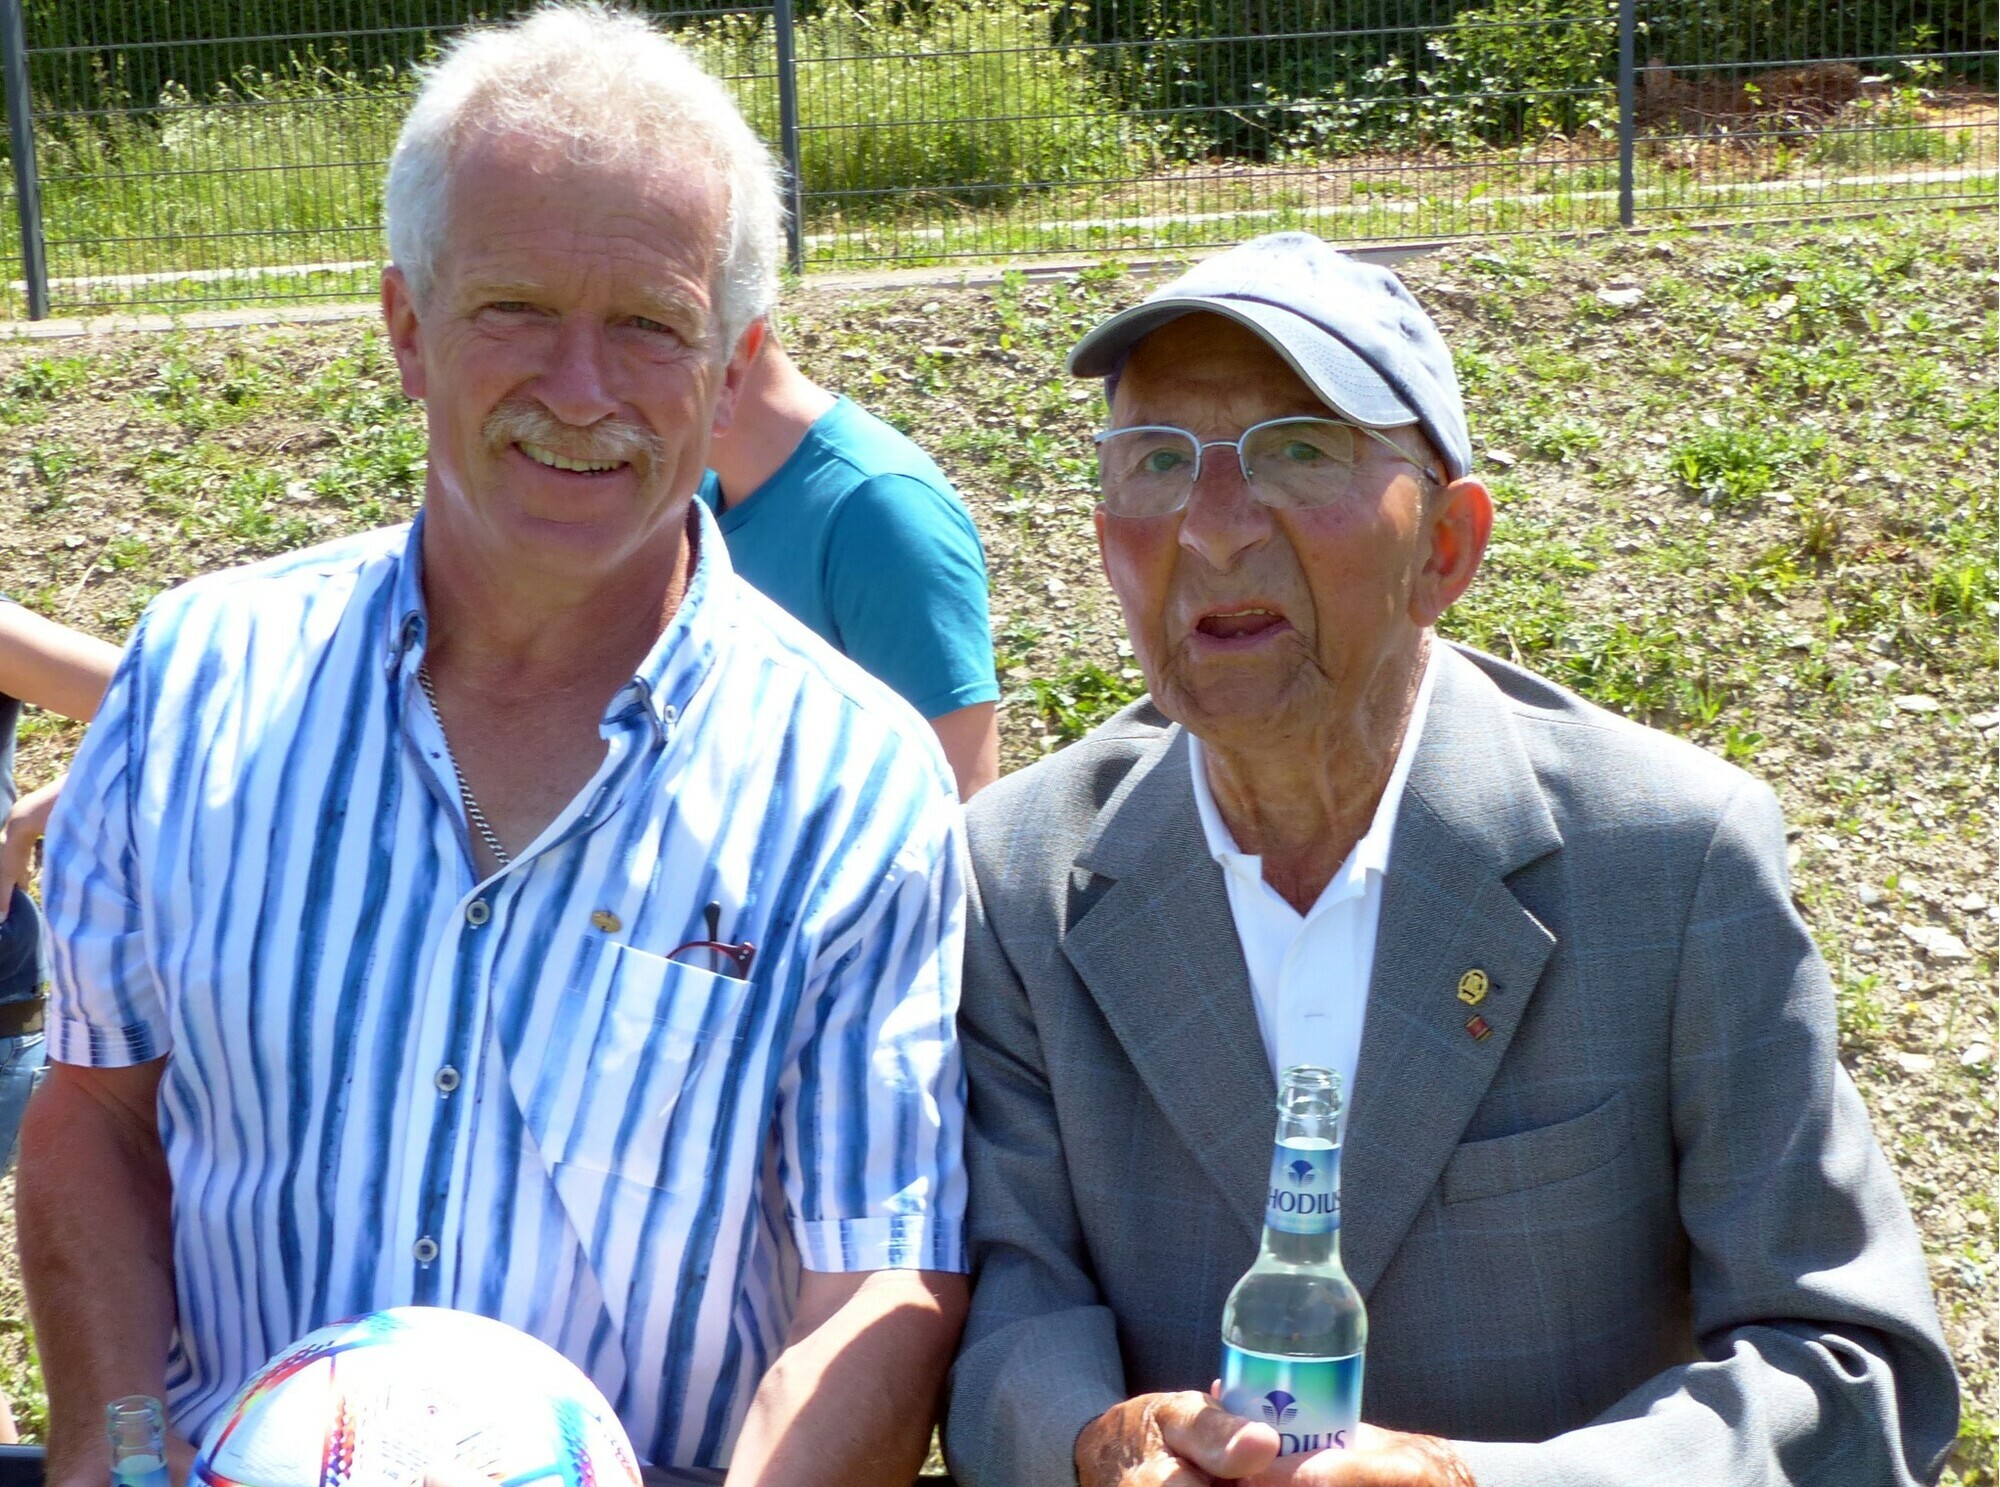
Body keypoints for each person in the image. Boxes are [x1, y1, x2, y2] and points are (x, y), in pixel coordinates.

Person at [23, 9, 968, 1487]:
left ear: (732, 368)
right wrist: (117, 1452)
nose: (579, 390)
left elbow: (877, 1276)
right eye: (514, 309)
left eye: (650, 325)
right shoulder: (196, 678)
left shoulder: (856, 787)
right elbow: (95, 1109)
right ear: (407, 327)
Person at [942, 232, 1958, 1487]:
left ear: (1446, 545)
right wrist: (1101, 1443)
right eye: (1156, 461)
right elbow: (1010, 1310)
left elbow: (1846, 1365)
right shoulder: (1020, 876)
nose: (1211, 529)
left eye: (1296, 453)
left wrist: (1473, 1480)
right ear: (1102, 532)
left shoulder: (1664, 858)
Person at [700, 337, 1000, 797]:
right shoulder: (693, 486)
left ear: (738, 344)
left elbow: (961, 794)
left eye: (641, 327)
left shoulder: (883, 512)